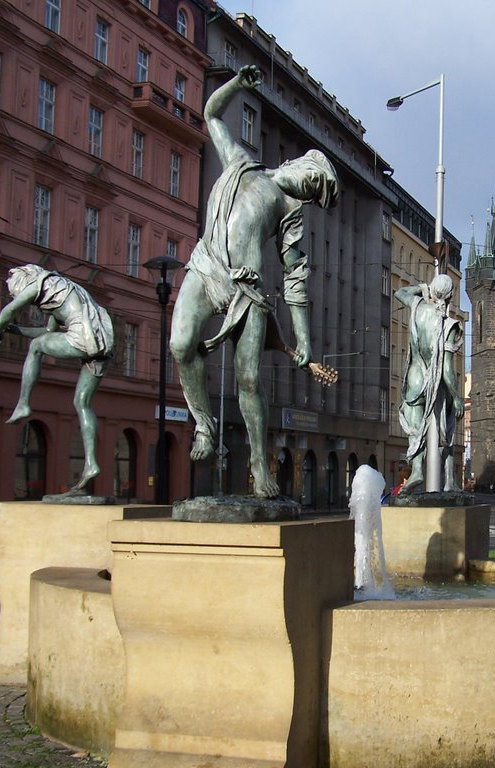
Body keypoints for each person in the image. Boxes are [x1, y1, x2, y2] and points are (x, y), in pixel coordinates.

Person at [169, 65, 339, 498]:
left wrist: (303, 341)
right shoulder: (242, 164)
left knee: (248, 379)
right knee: (180, 343)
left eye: (315, 193)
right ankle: (204, 425)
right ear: (302, 164)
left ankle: (260, 470)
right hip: (206, 266)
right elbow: (211, 115)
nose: (309, 191)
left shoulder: (290, 211)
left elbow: (295, 275)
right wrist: (237, 85)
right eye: (314, 181)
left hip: (248, 292)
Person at [0, 265, 114, 493]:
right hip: (101, 343)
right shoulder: (62, 288)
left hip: (82, 338)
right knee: (82, 402)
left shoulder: (40, 284)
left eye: (13, 290)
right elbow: (48, 333)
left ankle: (23, 404)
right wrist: (15, 330)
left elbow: (8, 311)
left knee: (35, 348)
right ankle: (90, 463)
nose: (14, 294)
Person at [393, 274, 465, 494]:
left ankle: (417, 471)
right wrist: (456, 397)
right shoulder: (449, 324)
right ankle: (449, 481)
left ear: (433, 292)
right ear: (451, 295)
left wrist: (424, 288)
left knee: (415, 429)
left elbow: (400, 292)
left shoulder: (418, 306)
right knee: (447, 426)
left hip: (415, 378)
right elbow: (445, 369)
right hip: (435, 381)